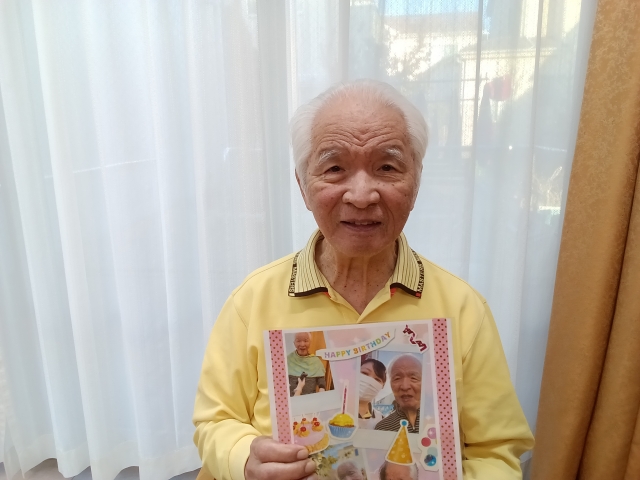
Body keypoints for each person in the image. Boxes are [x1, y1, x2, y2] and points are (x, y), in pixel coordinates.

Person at [193, 79, 534, 480]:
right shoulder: (252, 300)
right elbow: (215, 421)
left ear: (415, 182)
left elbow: (496, 451)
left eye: (386, 167)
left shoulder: (463, 309)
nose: (361, 195)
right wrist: (244, 459)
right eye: (334, 168)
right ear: (303, 185)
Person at [374, 355, 421, 432]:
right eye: (397, 379)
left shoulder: (439, 419)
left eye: (413, 378)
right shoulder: (382, 428)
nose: (405, 387)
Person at [287, 332, 327, 396]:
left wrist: (322, 389)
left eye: (305, 341)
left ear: (310, 343)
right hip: (292, 398)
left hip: (310, 398)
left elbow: (321, 379)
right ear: (294, 343)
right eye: (298, 341)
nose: (302, 344)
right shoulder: (288, 359)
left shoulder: (316, 361)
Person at [358, 358, 386, 428]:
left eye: (377, 379)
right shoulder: (333, 410)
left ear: (382, 386)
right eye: (365, 373)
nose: (370, 381)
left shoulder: (381, 420)